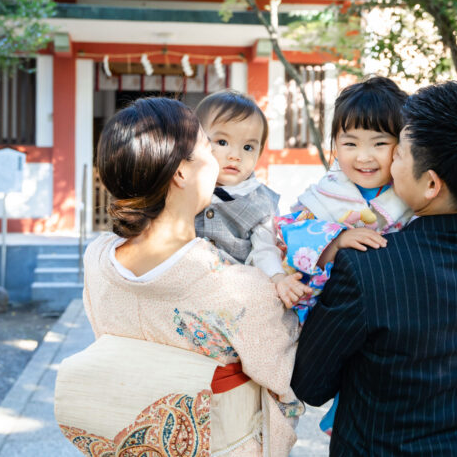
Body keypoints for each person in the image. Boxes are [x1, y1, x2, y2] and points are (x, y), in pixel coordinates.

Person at [291, 82, 457, 456]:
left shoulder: (371, 267)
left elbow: (309, 384)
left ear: (431, 183)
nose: (387, 162)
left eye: (399, 153)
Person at [78, 97, 300, 456]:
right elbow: (288, 381)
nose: (222, 157)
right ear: (182, 171)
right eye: (209, 146)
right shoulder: (237, 287)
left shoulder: (97, 258)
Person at [193, 90, 308, 300]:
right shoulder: (186, 184)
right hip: (188, 275)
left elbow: (264, 249)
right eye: (222, 142)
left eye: (247, 147)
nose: (235, 155)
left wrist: (278, 278)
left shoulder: (261, 202)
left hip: (232, 286)